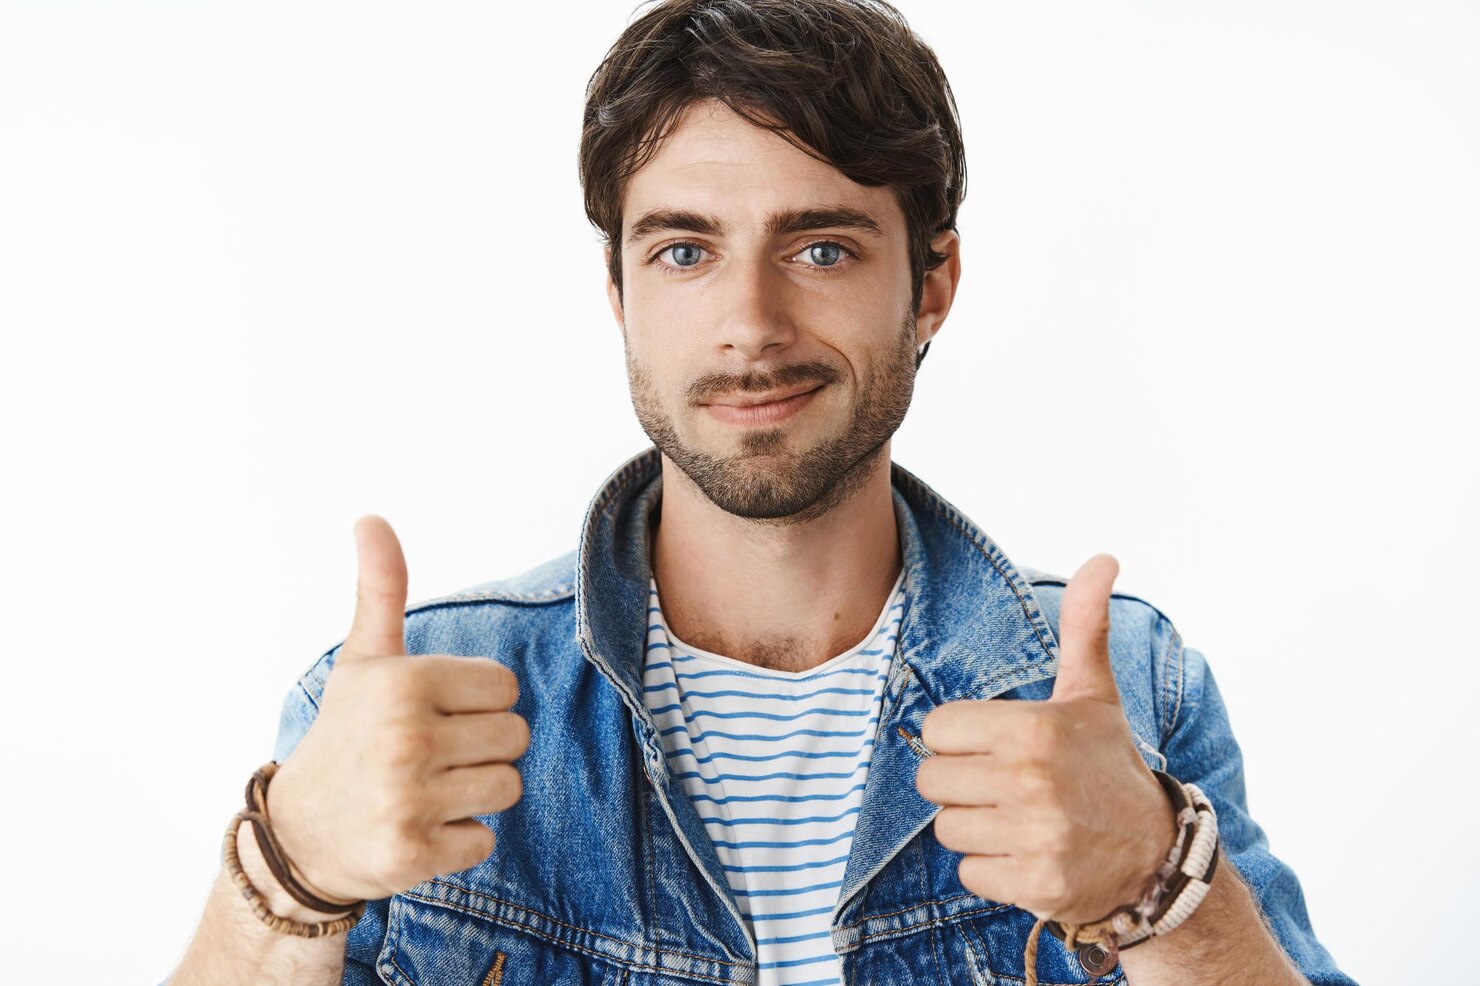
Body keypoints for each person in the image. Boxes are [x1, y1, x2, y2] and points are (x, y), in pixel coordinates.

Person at [168, 1, 1355, 983]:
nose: (750, 323)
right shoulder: (400, 705)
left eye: (820, 248)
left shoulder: (1125, 691)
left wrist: (1161, 887)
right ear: (619, 291)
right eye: (684, 251)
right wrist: (290, 874)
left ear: (931, 283)